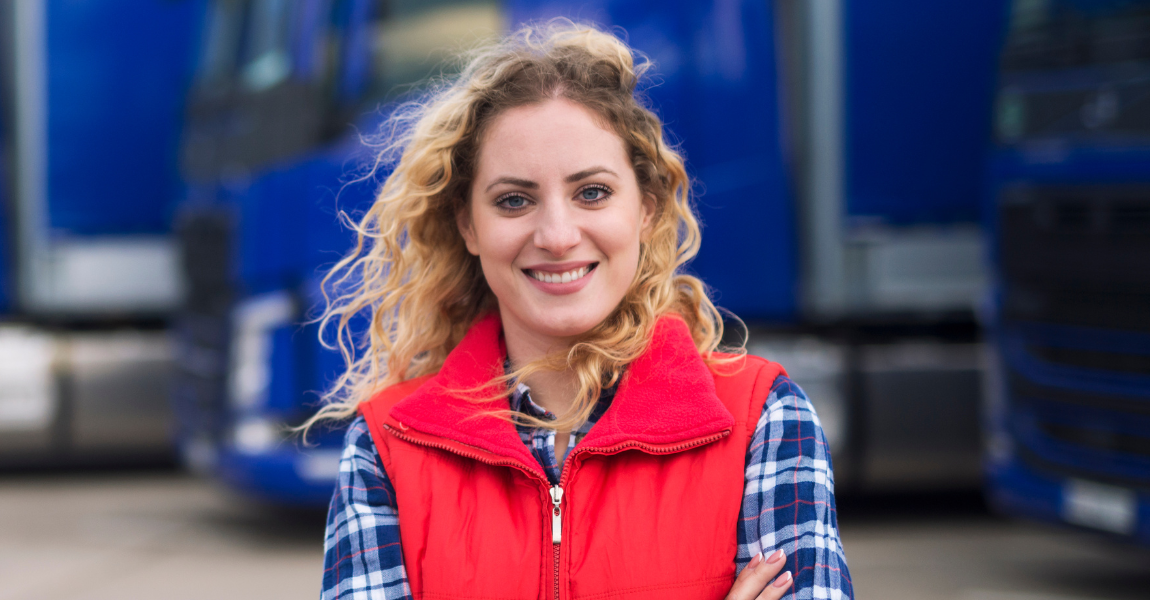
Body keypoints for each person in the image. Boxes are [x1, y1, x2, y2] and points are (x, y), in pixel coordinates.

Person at [308, 22, 853, 600]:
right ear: (468, 225)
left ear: (645, 207)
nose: (558, 235)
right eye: (514, 200)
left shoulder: (761, 419)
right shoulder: (387, 447)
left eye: (591, 192)